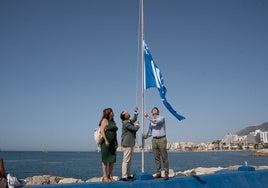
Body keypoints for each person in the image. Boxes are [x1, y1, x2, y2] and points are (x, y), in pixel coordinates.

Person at [143, 107, 169, 180]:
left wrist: (147, 117)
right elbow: (150, 131)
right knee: (156, 157)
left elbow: (156, 122)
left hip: (162, 139)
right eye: (153, 109)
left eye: (156, 109)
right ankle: (159, 172)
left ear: (158, 111)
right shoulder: (151, 121)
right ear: (152, 112)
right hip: (154, 140)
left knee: (164, 157)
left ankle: (166, 172)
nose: (154, 110)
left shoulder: (161, 118)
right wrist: (146, 136)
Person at [99, 108, 118, 182]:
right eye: (112, 111)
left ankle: (110, 175)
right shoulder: (104, 120)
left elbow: (115, 133)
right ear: (109, 113)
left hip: (113, 143)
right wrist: (106, 140)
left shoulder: (113, 121)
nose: (113, 112)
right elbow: (102, 131)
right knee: (105, 159)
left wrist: (116, 142)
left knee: (112, 159)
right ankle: (104, 176)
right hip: (106, 142)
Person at [120, 107, 140, 181]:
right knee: (126, 160)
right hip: (127, 144)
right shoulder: (125, 123)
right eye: (126, 113)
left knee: (129, 160)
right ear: (124, 116)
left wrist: (135, 112)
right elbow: (135, 129)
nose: (128, 113)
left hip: (130, 143)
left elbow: (133, 119)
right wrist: (137, 124)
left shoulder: (128, 121)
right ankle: (124, 176)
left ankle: (128, 175)